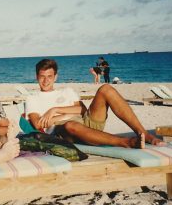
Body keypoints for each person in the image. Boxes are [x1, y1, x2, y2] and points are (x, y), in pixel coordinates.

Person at [26, 59, 163, 148]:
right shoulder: (33, 98)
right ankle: (126, 142)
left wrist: (54, 111)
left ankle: (143, 133)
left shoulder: (67, 91)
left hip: (87, 122)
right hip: (67, 132)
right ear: (37, 77)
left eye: (49, 76)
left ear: (56, 77)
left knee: (106, 89)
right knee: (70, 124)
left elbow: (82, 109)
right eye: (42, 76)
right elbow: (38, 124)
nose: (45, 81)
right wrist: (66, 116)